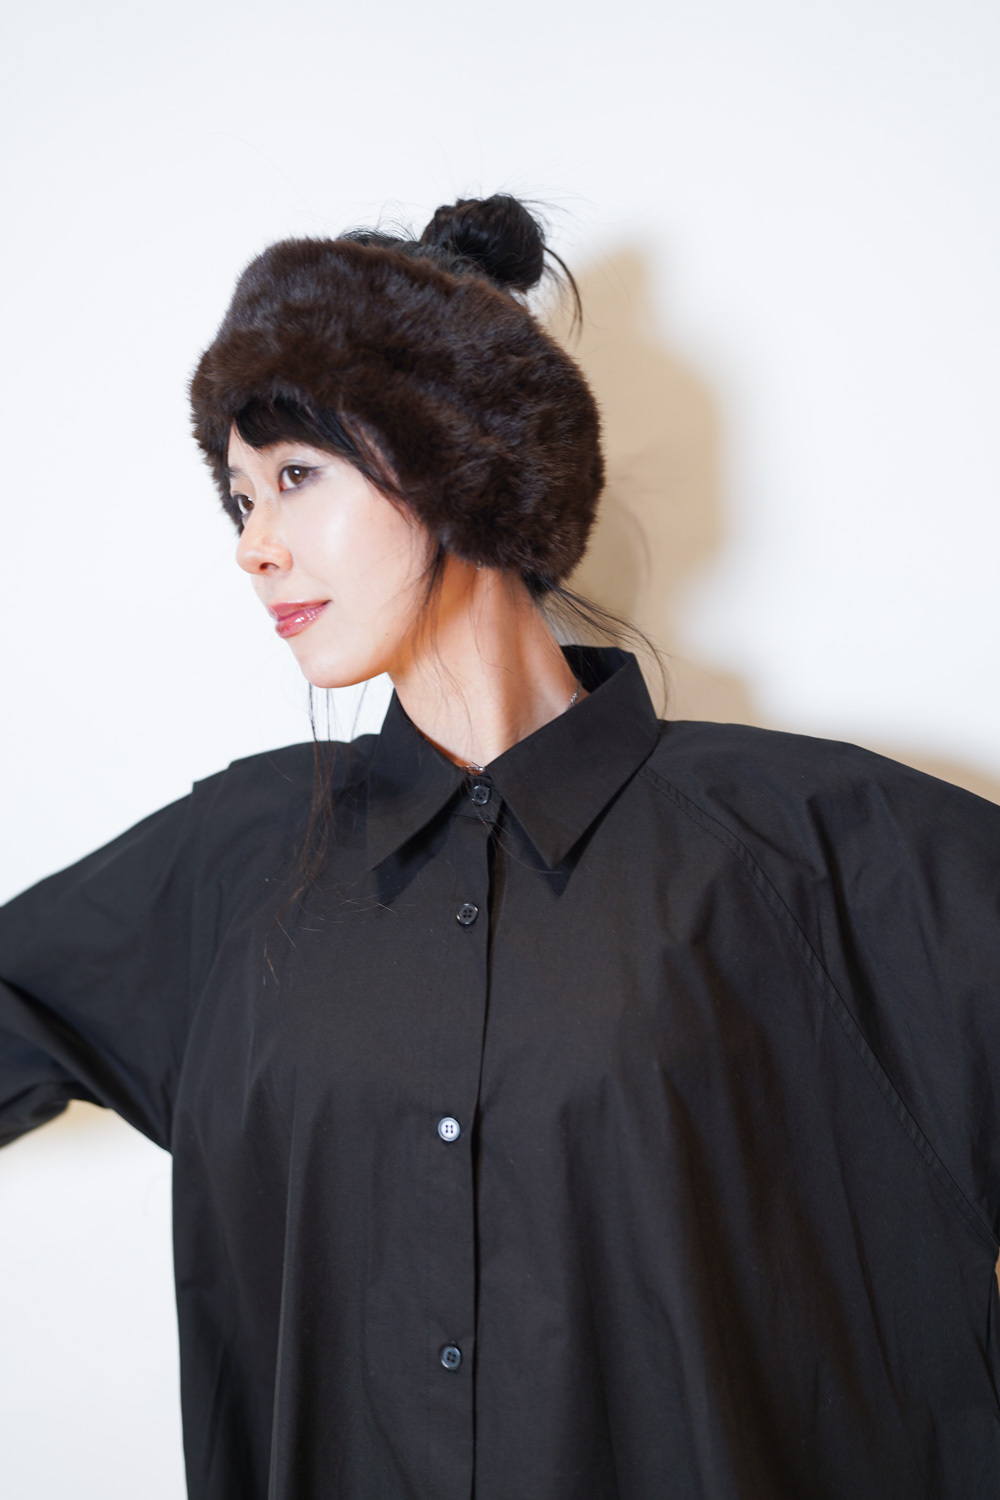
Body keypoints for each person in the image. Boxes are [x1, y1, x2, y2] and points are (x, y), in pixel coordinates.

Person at [1, 192, 999, 1500]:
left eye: (295, 477)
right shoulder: (241, 862)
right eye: (239, 496)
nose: (252, 547)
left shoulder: (806, 848)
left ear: (453, 458)